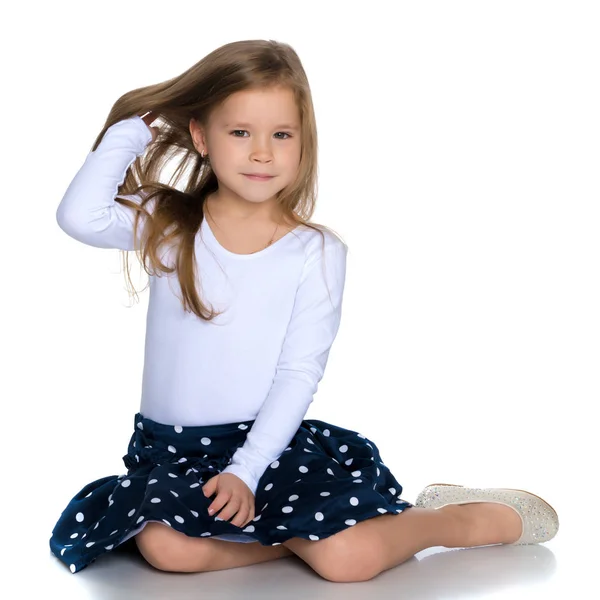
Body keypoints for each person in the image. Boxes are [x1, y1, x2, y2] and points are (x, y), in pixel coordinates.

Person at [49, 39, 559, 582]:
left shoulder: (314, 253)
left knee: (348, 563)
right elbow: (79, 216)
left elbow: (298, 372)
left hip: (265, 447)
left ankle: (447, 519)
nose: (262, 152)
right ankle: (293, 541)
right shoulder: (169, 223)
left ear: (303, 142)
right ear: (201, 136)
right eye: (240, 132)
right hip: (176, 454)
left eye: (281, 135)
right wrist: (133, 131)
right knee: (170, 550)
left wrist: (246, 471)